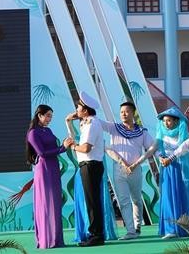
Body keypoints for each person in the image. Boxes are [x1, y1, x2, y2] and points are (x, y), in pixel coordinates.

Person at [133, 106, 189, 239]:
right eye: (164, 121)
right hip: (167, 170)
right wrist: (137, 163)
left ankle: (185, 228)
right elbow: (151, 150)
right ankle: (170, 228)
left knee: (182, 196)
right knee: (168, 197)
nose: (166, 123)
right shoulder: (161, 135)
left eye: (169, 120)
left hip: (180, 170)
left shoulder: (183, 134)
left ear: (176, 121)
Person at [98, 101, 154, 240]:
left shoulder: (142, 131)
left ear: (133, 113)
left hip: (135, 169)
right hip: (119, 169)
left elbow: (152, 147)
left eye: (127, 111)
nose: (123, 114)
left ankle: (137, 225)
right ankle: (130, 231)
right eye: (121, 111)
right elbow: (98, 122)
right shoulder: (114, 128)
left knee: (136, 199)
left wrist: (137, 162)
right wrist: (86, 114)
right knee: (123, 200)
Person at [64, 91, 111, 247]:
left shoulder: (92, 123)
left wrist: (73, 146)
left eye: (78, 107)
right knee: (91, 201)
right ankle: (95, 233)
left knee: (93, 202)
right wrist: (68, 122)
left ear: (85, 110)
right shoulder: (86, 122)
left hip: (90, 165)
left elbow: (85, 148)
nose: (76, 110)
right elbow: (75, 140)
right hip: (87, 165)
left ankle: (96, 235)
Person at [26, 104, 73, 249]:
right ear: (39, 115)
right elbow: (42, 153)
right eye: (47, 116)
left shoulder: (48, 130)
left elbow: (53, 148)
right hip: (43, 170)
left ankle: (56, 239)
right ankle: (47, 240)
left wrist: (65, 144)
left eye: (51, 116)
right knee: (46, 204)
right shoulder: (33, 133)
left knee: (55, 203)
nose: (49, 119)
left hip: (53, 168)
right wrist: (63, 148)